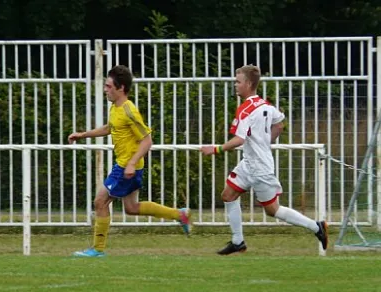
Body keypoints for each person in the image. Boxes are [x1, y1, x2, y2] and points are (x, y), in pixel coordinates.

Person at [200, 64, 328, 255]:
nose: (235, 85)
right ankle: (238, 242)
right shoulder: (265, 105)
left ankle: (317, 227)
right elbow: (280, 124)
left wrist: (216, 149)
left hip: (260, 167)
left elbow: (239, 139)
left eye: (238, 81)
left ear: (249, 84)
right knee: (228, 194)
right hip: (249, 163)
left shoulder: (245, 110)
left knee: (273, 210)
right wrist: (265, 141)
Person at [68, 65, 191, 257]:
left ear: (121, 88)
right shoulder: (115, 108)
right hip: (126, 165)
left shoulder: (129, 111)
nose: (105, 90)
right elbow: (110, 128)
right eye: (106, 86)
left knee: (100, 201)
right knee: (132, 208)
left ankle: (97, 249)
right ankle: (179, 214)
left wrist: (132, 163)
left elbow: (147, 140)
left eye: (109, 86)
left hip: (126, 166)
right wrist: (83, 135)